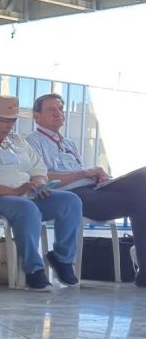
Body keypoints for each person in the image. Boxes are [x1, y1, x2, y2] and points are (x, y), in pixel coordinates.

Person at [0, 95, 82, 290]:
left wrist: (39, 183)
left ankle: (62, 259)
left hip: (25, 195)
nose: (9, 126)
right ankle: (33, 269)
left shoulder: (18, 141)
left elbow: (38, 168)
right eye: (4, 120)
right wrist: (16, 190)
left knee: (70, 201)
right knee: (27, 207)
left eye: (13, 121)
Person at [26, 93, 146, 286]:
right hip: (67, 195)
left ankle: (144, 273)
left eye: (60, 109)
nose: (58, 113)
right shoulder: (32, 142)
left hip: (91, 190)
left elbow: (79, 174)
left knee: (142, 199)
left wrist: (96, 176)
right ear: (37, 116)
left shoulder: (69, 143)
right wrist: (84, 173)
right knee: (142, 179)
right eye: (51, 109)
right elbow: (42, 177)